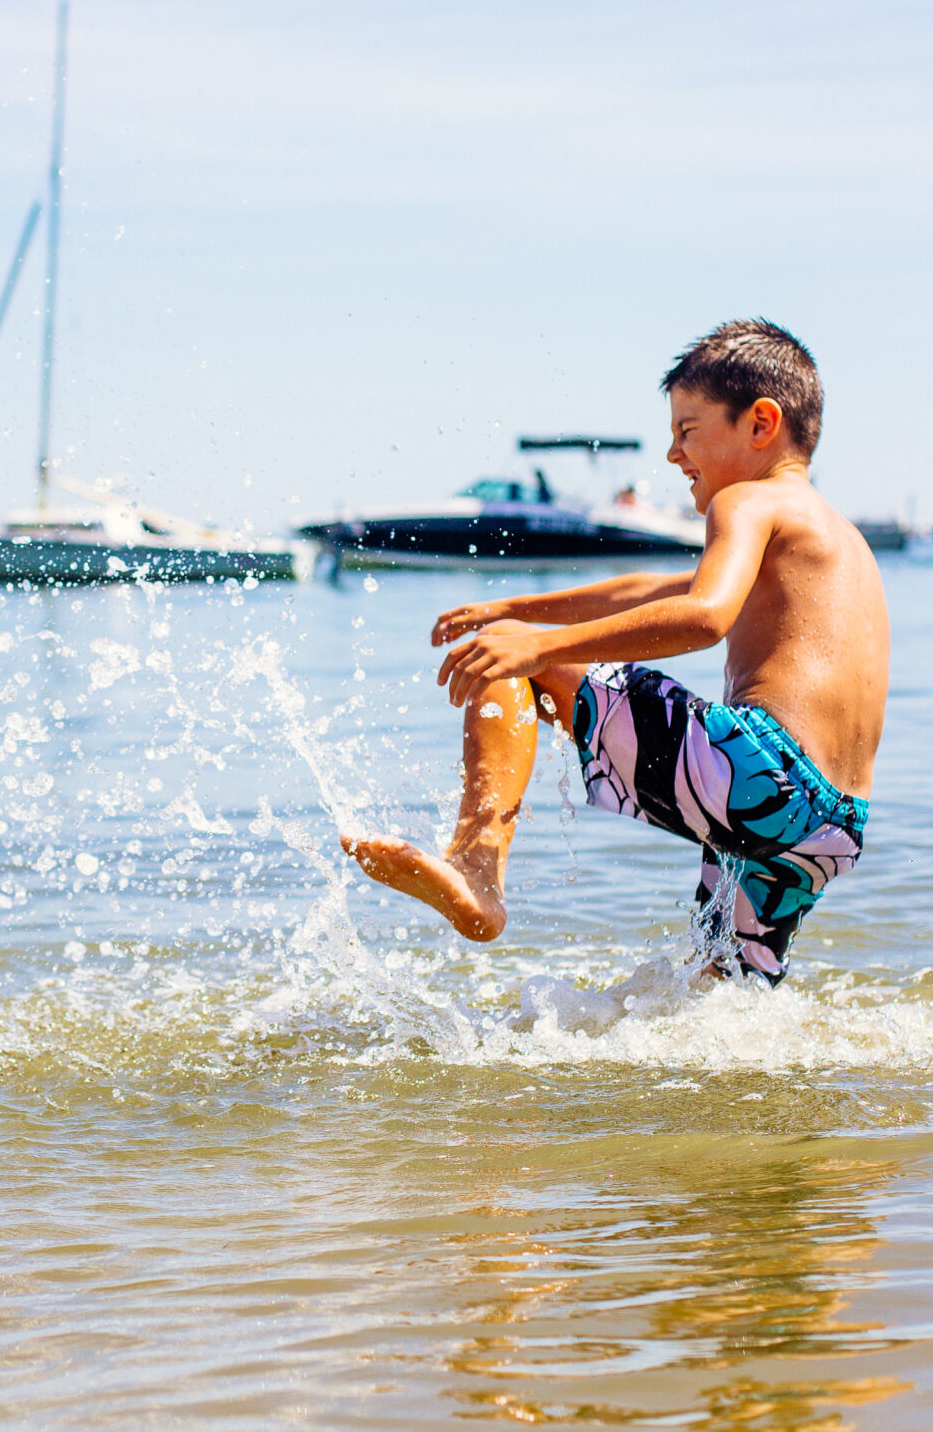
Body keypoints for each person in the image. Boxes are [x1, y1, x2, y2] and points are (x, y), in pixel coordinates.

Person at [343, 320, 890, 983]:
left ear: (760, 424)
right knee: (715, 999)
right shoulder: (836, 538)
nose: (672, 454)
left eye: (687, 431)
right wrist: (516, 608)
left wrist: (535, 645)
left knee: (513, 659)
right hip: (828, 826)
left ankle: (475, 866)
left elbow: (703, 614)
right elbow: (654, 588)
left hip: (764, 773)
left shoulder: (746, 502)